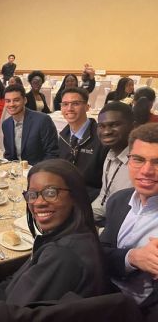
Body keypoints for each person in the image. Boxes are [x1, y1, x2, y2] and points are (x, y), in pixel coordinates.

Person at [0, 159, 109, 321]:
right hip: (10, 307)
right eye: (32, 195)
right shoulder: (72, 235)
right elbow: (15, 281)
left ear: (75, 196)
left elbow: (13, 312)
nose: (39, 203)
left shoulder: (63, 256)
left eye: (51, 193)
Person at [100, 123, 158, 319]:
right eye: (139, 159)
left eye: (157, 162)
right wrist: (133, 258)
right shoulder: (119, 200)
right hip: (102, 294)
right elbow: (101, 252)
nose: (147, 170)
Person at [58, 87, 108, 201]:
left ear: (87, 107)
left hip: (91, 198)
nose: (69, 108)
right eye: (65, 104)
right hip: (65, 194)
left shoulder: (101, 138)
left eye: (75, 103)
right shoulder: (63, 136)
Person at [92, 102, 134, 225]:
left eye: (114, 125)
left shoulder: (140, 163)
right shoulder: (110, 155)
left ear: (133, 126)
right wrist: (81, 218)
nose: (106, 132)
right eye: (101, 126)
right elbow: (103, 200)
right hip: (108, 222)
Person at [2, 84, 59, 165]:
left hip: (38, 172)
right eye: (8, 101)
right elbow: (9, 155)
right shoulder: (6, 124)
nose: (11, 104)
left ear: (25, 100)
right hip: (16, 172)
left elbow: (52, 154)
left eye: (16, 100)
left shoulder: (42, 120)